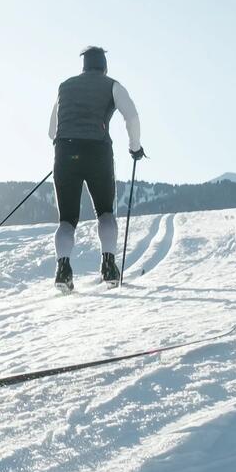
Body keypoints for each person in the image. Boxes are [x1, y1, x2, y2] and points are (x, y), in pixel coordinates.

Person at [48, 46, 143, 290]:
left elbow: (52, 131)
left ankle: (63, 269)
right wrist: (135, 147)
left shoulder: (64, 87)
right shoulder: (112, 85)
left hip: (65, 151)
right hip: (97, 152)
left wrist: (67, 150)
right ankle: (109, 266)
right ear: (104, 66)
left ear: (84, 66)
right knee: (105, 212)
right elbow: (131, 117)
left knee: (67, 219)